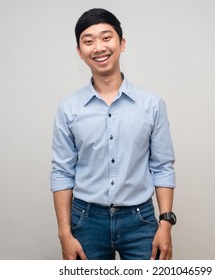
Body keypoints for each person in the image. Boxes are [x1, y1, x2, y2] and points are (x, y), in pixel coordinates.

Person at [50, 8, 176, 260]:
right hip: (86, 222)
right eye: (88, 41)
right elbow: (62, 172)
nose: (98, 47)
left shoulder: (151, 104)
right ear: (80, 52)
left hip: (140, 221)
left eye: (106, 37)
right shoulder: (69, 108)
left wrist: (165, 223)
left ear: (122, 43)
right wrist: (64, 233)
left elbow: (162, 166)